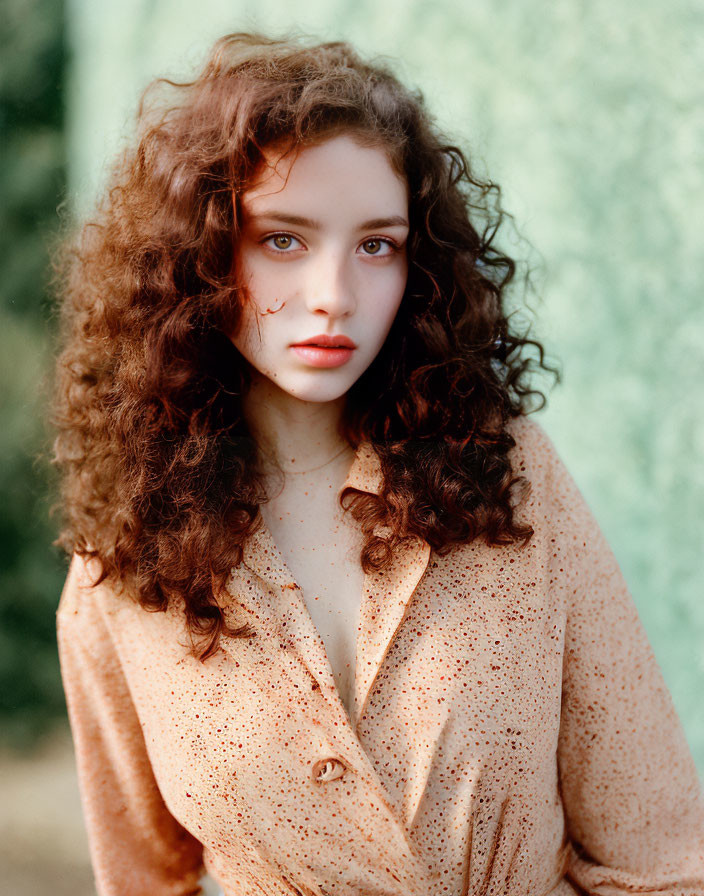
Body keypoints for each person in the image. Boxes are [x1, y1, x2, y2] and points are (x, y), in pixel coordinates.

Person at [49, 30, 704, 896]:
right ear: (198, 257)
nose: (334, 293)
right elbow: (141, 884)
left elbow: (664, 863)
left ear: (419, 268)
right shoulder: (121, 572)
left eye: (377, 246)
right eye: (282, 239)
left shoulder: (510, 479)